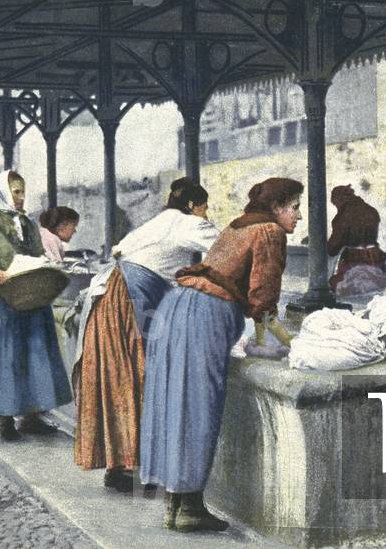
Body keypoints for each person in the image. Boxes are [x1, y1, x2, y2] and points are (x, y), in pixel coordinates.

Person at [140, 177, 302, 533]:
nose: (299, 215)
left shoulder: (237, 224)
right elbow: (263, 298)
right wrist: (282, 341)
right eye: (294, 206)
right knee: (199, 406)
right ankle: (190, 509)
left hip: (177, 306)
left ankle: (176, 504)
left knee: (175, 403)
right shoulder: (270, 232)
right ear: (276, 208)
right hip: (206, 313)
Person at [74, 178, 219, 493]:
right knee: (139, 377)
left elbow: (119, 251)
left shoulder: (153, 223)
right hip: (132, 301)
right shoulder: (188, 222)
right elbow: (225, 249)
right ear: (194, 205)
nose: (206, 214)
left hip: (108, 298)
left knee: (115, 380)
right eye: (205, 207)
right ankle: (133, 465)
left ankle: (118, 465)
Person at [0, 171, 73, 441]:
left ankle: (31, 416)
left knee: (33, 351)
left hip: (28, 293)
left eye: (23, 191)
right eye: (16, 192)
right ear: (2, 191)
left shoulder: (27, 222)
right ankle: (6, 419)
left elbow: (36, 255)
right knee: (5, 355)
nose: (22, 197)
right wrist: (0, 275)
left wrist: (43, 267)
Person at [327, 184, 386, 295]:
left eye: (335, 204)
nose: (337, 207)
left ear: (339, 200)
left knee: (339, 286)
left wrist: (326, 247)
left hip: (354, 260)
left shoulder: (343, 216)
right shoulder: (371, 211)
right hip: (374, 257)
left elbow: (333, 247)